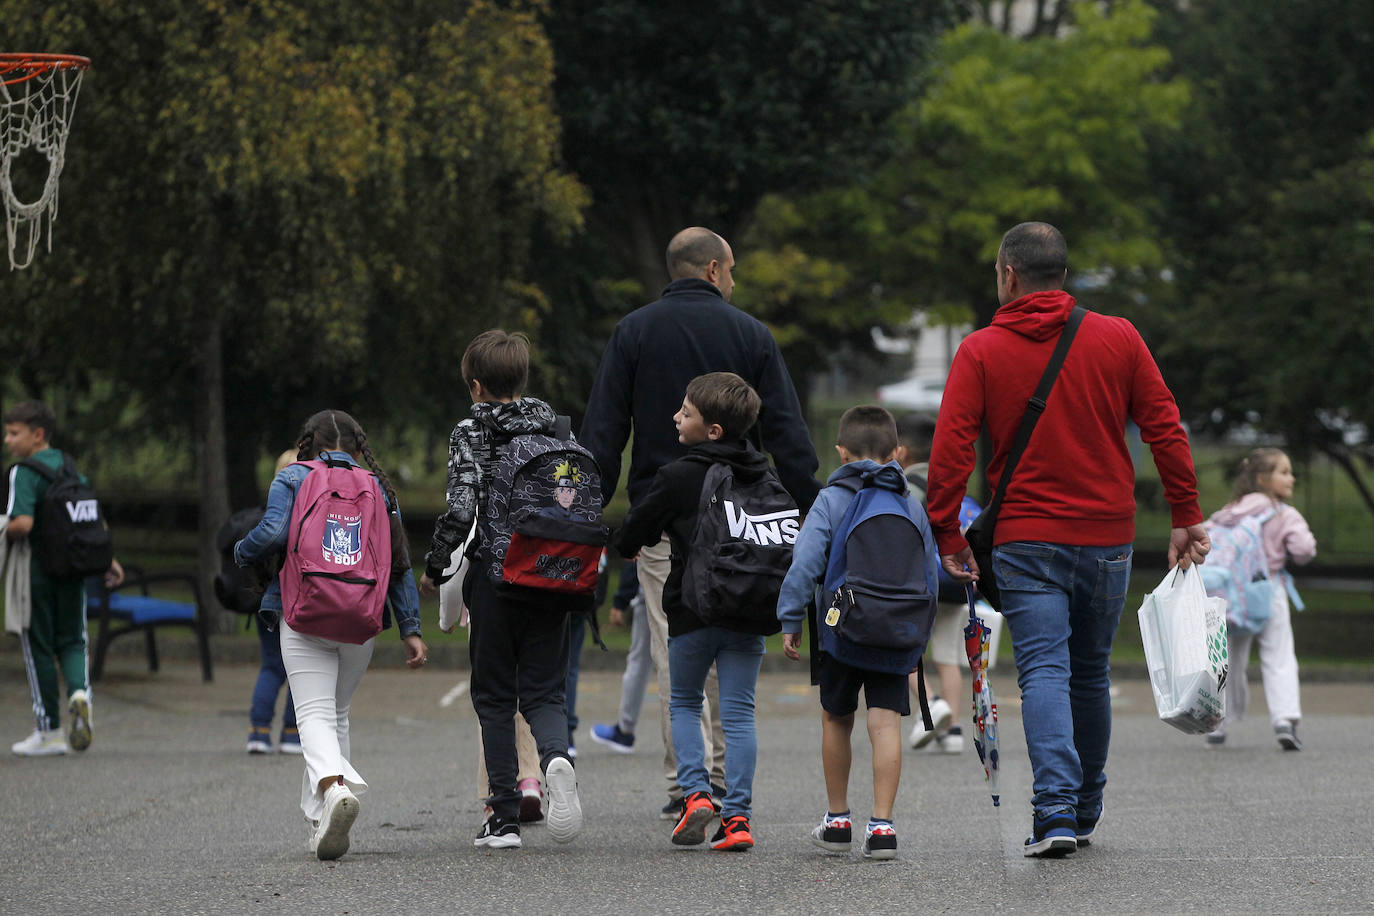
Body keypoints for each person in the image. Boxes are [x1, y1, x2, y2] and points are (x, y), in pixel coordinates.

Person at [926, 222, 1210, 858]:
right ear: (1063, 273)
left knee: (1043, 672)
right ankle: (1084, 808)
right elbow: (1165, 427)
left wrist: (946, 528)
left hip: (1024, 538)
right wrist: (1185, 512)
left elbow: (951, 448)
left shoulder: (980, 350)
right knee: (1089, 671)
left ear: (1008, 274)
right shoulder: (1118, 336)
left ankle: (1054, 812)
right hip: (1107, 535)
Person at [581, 226, 821, 819]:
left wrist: (590, 508)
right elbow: (788, 435)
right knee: (735, 640)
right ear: (713, 269)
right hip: (744, 518)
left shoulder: (633, 331)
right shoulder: (751, 334)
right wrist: (809, 508)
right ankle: (720, 777)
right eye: (732, 270)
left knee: (674, 649)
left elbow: (604, 432)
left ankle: (688, 784)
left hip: (666, 513)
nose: (734, 282)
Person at [418, 329, 585, 850]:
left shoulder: (471, 431)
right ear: (523, 379)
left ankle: (504, 818)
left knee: (494, 696)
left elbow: (462, 507)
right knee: (544, 690)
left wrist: (435, 564)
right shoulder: (556, 428)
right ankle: (556, 758)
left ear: (475, 385)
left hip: (496, 575)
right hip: (554, 574)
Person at [235, 409, 427, 860]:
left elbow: (271, 533)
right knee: (337, 714)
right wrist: (411, 629)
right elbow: (399, 564)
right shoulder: (378, 487)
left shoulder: (294, 477)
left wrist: (241, 551)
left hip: (304, 611)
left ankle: (334, 788)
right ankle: (323, 816)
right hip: (361, 616)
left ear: (310, 444)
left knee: (313, 716)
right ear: (360, 448)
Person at [615, 372, 784, 851]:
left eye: (686, 412)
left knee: (686, 701)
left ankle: (695, 795)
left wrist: (629, 546)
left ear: (711, 430)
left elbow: (634, 530)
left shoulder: (679, 476)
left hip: (692, 611)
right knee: (739, 712)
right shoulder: (765, 473)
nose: (676, 417)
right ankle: (739, 819)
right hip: (750, 612)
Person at [777, 406, 940, 861]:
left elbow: (805, 562)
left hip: (841, 631)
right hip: (896, 631)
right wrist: (917, 632)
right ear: (898, 454)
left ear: (841, 451)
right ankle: (883, 827)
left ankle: (837, 821)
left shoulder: (831, 498)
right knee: (884, 722)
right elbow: (928, 573)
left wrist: (790, 618)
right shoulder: (910, 501)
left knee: (836, 718)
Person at [5, 399, 124, 757]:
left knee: (38, 645)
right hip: (74, 571)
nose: (8, 440)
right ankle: (79, 694)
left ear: (36, 434)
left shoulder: (23, 472)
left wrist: (5, 528)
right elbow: (87, 518)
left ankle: (49, 730)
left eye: (14, 433)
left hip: (36, 573)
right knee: (74, 640)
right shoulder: (69, 467)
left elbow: (22, 523)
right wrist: (108, 559)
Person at [1202, 448, 1316, 750]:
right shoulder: (1283, 514)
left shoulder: (1228, 512)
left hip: (1229, 597)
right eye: (1284, 472)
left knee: (1225, 659)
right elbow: (1304, 550)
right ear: (1263, 478)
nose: (1291, 478)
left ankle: (1216, 721)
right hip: (1268, 592)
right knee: (1278, 655)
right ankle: (1284, 719)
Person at [895, 412, 967, 754]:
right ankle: (952, 731)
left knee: (903, 652)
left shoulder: (906, 486)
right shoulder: (948, 482)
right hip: (955, 581)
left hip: (921, 583)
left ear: (902, 452)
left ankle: (932, 703)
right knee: (948, 656)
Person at [239, 449, 301, 755]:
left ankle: (258, 731)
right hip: (296, 601)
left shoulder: (267, 517)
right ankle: (291, 734)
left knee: (271, 666)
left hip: (265, 603)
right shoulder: (307, 514)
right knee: (297, 669)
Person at [589, 559, 649, 753]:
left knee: (640, 662)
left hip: (653, 589)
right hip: (696, 585)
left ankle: (625, 729)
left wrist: (621, 599)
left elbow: (637, 547)